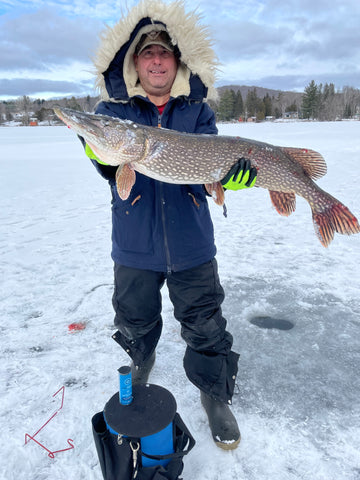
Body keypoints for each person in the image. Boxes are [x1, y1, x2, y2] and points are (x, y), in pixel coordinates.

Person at [83, 0, 257, 450]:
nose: (156, 59)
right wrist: (98, 151)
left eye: (164, 52)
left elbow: (215, 163)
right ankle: (141, 360)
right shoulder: (115, 111)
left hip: (191, 242)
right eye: (147, 53)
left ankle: (213, 393)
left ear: (176, 63)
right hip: (135, 244)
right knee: (135, 318)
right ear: (136, 64)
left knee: (205, 323)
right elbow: (108, 163)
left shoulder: (196, 111)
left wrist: (230, 178)